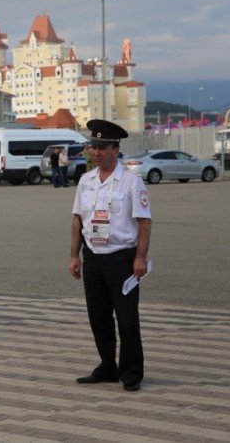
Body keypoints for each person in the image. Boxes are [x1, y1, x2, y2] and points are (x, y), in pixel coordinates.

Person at [69, 119, 152, 393]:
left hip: (121, 259)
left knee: (127, 318)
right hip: (93, 257)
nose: (96, 152)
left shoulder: (132, 182)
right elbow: (77, 220)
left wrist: (140, 257)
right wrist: (74, 255)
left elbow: (144, 222)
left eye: (102, 147)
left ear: (115, 149)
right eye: (93, 147)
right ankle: (107, 366)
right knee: (98, 317)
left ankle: (131, 373)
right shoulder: (86, 181)